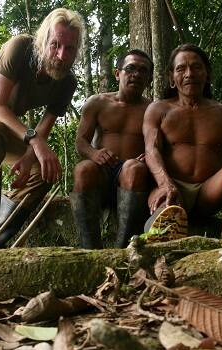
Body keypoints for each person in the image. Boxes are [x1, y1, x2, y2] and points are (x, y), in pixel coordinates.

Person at [0, 9, 85, 249]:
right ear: (43, 41)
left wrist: (29, 156)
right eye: (55, 44)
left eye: (70, 48)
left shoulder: (67, 83)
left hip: (7, 130)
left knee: (46, 169)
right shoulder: (20, 47)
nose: (61, 54)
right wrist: (34, 141)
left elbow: (44, 129)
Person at [143, 44, 222, 240]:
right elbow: (151, 150)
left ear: (207, 74)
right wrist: (165, 184)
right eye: (181, 68)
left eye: (196, 67)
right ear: (172, 78)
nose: (189, 74)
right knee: (168, 212)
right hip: (172, 188)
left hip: (209, 193)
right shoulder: (159, 109)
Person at [71, 49, 154, 248]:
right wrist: (94, 153)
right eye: (130, 68)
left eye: (143, 71)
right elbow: (81, 141)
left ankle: (124, 250)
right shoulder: (97, 103)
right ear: (118, 73)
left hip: (133, 178)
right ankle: (89, 250)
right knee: (83, 169)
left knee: (133, 169)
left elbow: (159, 147)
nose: (136, 74)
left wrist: (149, 158)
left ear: (149, 78)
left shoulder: (153, 109)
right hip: (101, 174)